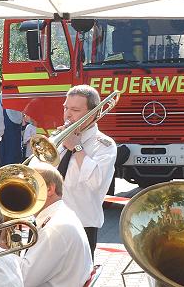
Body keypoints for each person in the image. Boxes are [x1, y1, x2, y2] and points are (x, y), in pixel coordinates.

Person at [57, 84, 117, 259]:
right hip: (48, 223)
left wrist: (77, 147)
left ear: (95, 113)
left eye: (75, 110)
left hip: (81, 226)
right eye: (66, 108)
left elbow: (95, 182)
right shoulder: (58, 139)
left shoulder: (104, 145)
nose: (67, 114)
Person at [19, 163, 92, 287]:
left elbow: (23, 279)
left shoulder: (55, 228)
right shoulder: (59, 215)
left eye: (28, 184)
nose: (20, 191)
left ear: (49, 189)